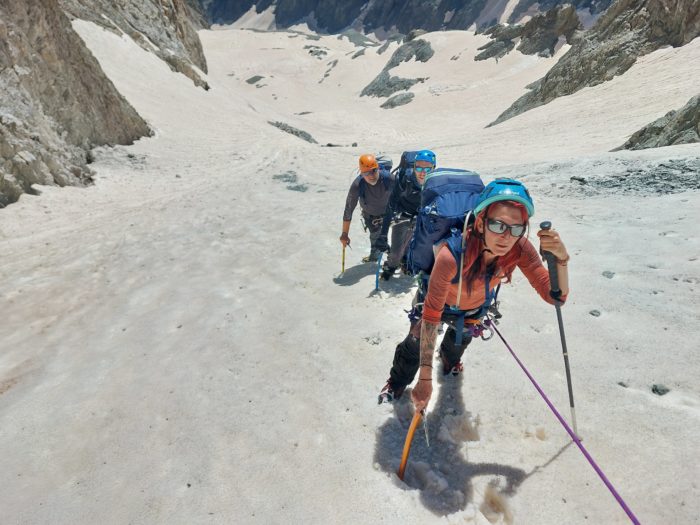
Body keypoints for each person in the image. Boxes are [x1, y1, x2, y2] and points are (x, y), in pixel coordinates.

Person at [378, 178, 570, 406]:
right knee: (414, 345)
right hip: (436, 306)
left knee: (458, 344)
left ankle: (449, 360)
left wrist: (561, 259)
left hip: (474, 311)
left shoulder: (519, 249)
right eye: (497, 225)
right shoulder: (452, 255)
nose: (506, 236)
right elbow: (431, 317)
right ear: (480, 223)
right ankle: (397, 382)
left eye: (516, 228)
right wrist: (425, 379)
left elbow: (555, 295)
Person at [376, 150, 436, 280]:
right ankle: (391, 266)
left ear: (433, 169)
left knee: (411, 245)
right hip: (402, 216)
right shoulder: (404, 179)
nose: (422, 172)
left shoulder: (436, 182)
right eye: (419, 167)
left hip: (420, 218)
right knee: (396, 250)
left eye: (427, 169)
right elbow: (391, 205)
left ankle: (405, 261)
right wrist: (382, 234)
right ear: (413, 167)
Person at [340, 154, 395, 262]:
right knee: (375, 237)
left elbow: (401, 196)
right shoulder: (357, 185)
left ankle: (393, 257)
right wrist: (344, 234)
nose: (371, 175)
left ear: (378, 168)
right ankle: (375, 257)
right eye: (366, 173)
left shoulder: (389, 179)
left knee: (394, 236)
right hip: (371, 216)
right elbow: (348, 209)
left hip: (389, 213)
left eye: (373, 170)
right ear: (361, 173)